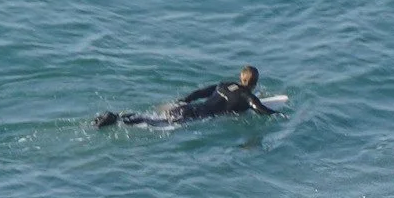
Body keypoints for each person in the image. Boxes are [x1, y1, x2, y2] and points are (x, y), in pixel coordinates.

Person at [94, 65, 281, 128]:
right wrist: (278, 116)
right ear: (254, 82)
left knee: (153, 118)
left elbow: (201, 92)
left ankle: (119, 117)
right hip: (195, 116)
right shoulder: (247, 97)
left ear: (241, 77)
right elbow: (259, 109)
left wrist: (184, 100)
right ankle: (116, 120)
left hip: (188, 108)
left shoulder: (225, 85)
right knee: (155, 123)